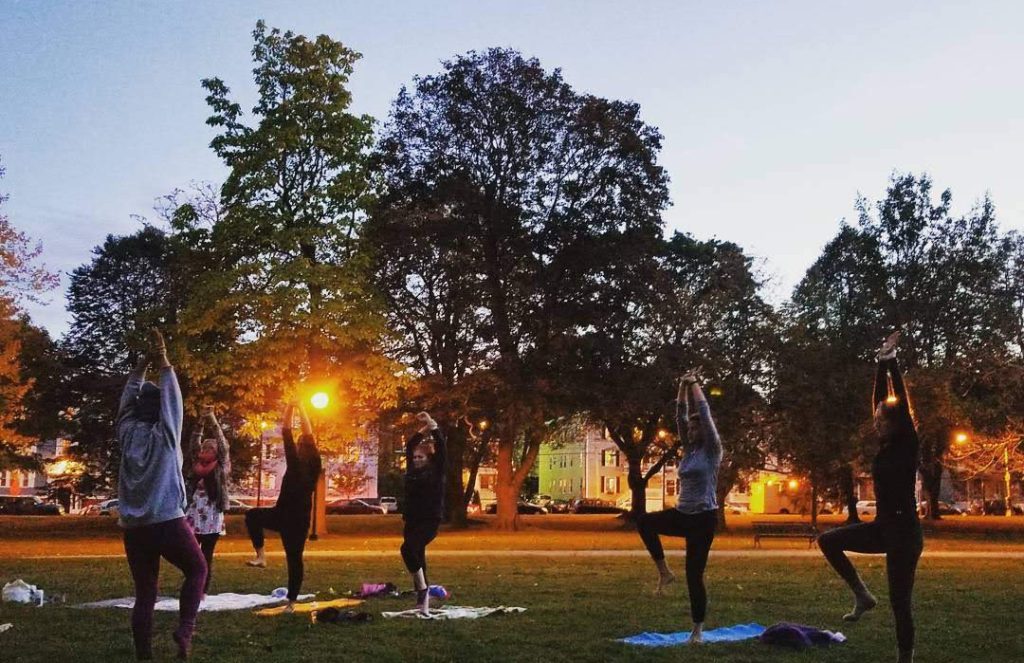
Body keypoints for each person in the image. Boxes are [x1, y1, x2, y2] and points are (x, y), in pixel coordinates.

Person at [818, 331, 923, 663]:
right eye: (875, 420)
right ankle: (862, 595)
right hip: (881, 528)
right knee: (828, 540)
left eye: (881, 420)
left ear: (896, 423)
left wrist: (892, 364)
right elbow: (880, 400)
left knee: (899, 602)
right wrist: (879, 363)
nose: (875, 423)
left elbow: (900, 405)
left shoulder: (908, 441)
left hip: (905, 534)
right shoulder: (888, 443)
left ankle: (904, 658)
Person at [117, 328, 206, 660]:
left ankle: (144, 656)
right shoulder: (166, 436)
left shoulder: (126, 434)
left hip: (134, 528)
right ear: (162, 413)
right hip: (167, 521)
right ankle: (185, 630)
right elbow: (173, 402)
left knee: (145, 594)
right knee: (197, 570)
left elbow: (126, 403)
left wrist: (140, 368)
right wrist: (163, 361)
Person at [636, 370, 723, 644]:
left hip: (703, 519)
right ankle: (664, 572)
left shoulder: (712, 450)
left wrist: (695, 384)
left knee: (694, 575)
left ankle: (697, 630)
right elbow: (680, 415)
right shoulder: (689, 450)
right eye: (691, 429)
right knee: (644, 522)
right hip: (682, 514)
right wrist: (681, 387)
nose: (691, 431)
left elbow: (703, 413)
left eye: (696, 428)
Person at [244, 402, 321, 612]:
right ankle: (261, 557)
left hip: (295, 521)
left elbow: (289, 432)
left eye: (300, 445)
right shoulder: (312, 465)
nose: (297, 447)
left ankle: (291, 600)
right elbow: (297, 433)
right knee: (252, 516)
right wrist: (298, 408)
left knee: (294, 559)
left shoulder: (305, 464)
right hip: (284, 515)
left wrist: (293, 408)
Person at [401, 412, 446, 615]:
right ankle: (422, 597)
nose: (417, 459)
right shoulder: (412, 470)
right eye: (416, 457)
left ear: (429, 458)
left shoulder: (436, 471)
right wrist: (423, 429)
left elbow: (442, 449)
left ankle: (422, 589)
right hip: (411, 520)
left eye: (421, 457)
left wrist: (432, 425)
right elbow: (410, 446)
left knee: (408, 549)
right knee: (418, 556)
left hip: (429, 520)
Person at [184, 406, 231, 597]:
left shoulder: (219, 464)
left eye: (210, 448)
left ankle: (202, 591)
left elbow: (222, 441)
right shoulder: (197, 461)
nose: (206, 450)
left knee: (206, 556)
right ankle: (193, 586)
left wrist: (211, 418)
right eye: (205, 447)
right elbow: (194, 441)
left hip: (212, 514)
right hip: (194, 513)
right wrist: (201, 422)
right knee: (191, 554)